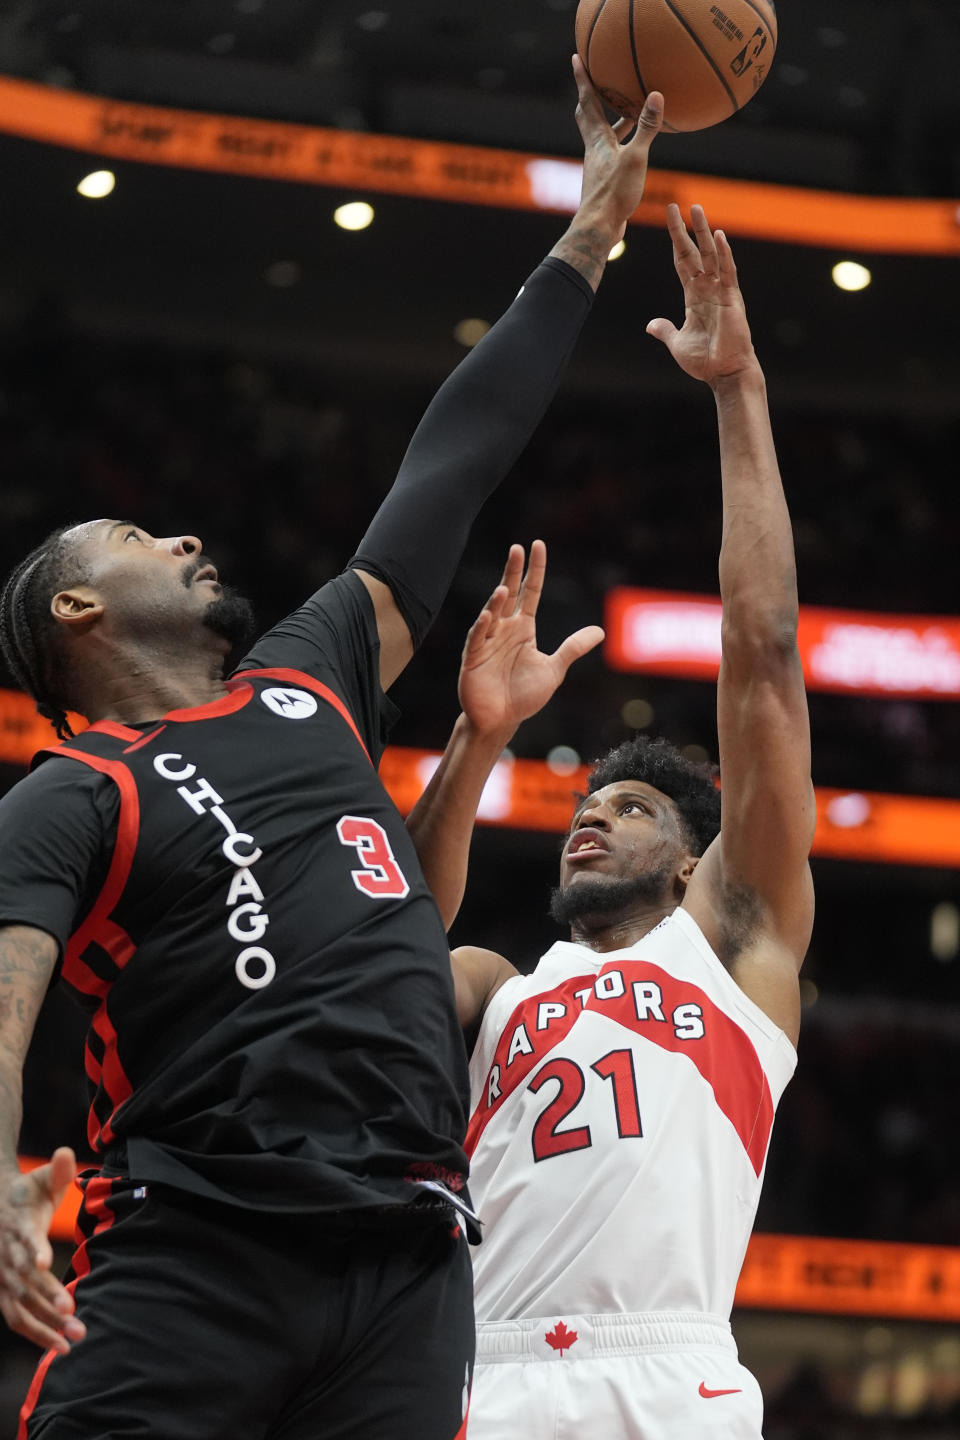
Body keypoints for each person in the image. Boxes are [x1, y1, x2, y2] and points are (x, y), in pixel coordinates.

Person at [0, 63, 664, 1440]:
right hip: (199, 1245)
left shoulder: (313, 676)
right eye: (139, 542)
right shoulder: (73, 794)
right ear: (76, 608)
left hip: (408, 1253)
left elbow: (456, 457)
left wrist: (590, 231)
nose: (185, 540)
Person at [408, 204, 816, 1438]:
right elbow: (385, 938)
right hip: (483, 1373)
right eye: (585, 805)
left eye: (630, 808)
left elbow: (762, 658)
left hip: (668, 1374)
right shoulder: (497, 989)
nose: (591, 821)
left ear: (695, 857)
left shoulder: (733, 948)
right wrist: (478, 740)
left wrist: (737, 389)